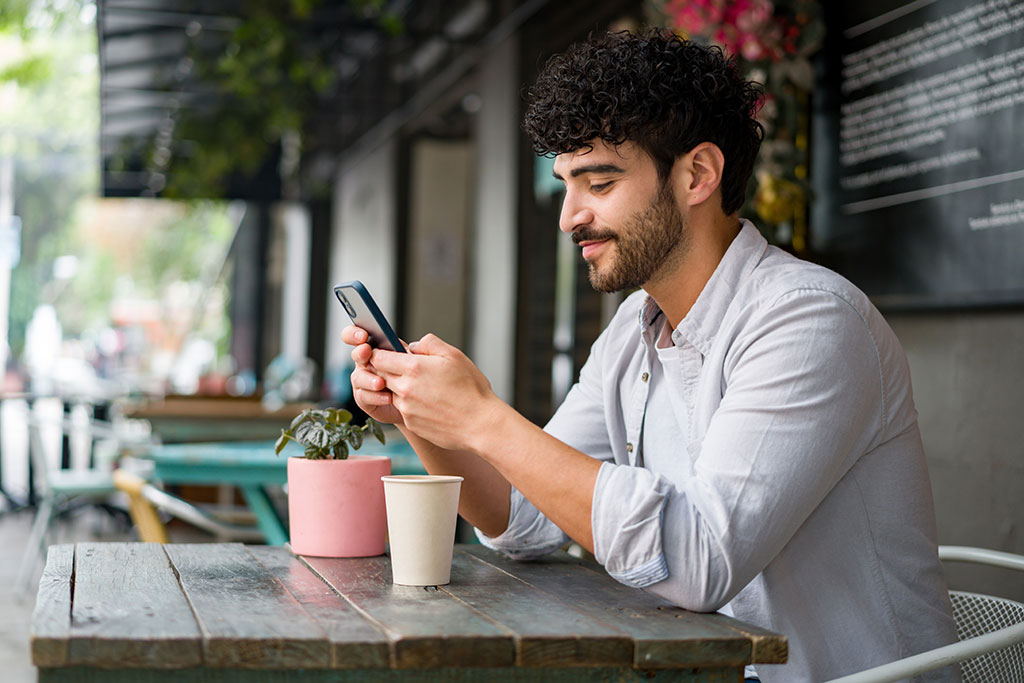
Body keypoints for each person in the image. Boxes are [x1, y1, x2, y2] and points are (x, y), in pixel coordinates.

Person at [343, 29, 958, 682]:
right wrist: (421, 411)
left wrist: (483, 417)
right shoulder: (633, 330)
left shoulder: (807, 319)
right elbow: (522, 520)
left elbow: (698, 562)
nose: (568, 216)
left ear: (697, 174)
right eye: (565, 186)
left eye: (598, 183)